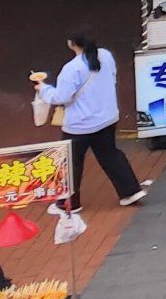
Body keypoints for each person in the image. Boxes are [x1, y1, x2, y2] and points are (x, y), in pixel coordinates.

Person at [32, 33, 146, 214]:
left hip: (79, 124)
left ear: (72, 44)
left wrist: (44, 88)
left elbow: (60, 96)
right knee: (110, 155)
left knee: (70, 162)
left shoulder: (71, 68)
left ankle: (69, 203)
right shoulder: (105, 55)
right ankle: (130, 191)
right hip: (107, 118)